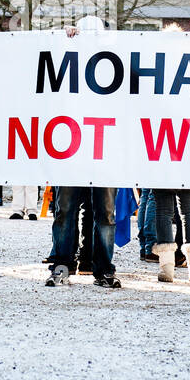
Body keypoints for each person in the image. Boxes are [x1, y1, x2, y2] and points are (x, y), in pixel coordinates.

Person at [45, 17, 120, 289]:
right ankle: (63, 263)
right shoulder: (67, 60)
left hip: (104, 148)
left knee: (105, 212)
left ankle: (103, 269)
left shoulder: (117, 62)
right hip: (71, 148)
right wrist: (60, 38)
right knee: (65, 209)